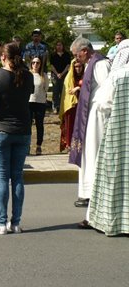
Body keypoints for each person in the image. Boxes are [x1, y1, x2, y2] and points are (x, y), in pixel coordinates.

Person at [0, 42, 34, 234]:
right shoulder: (28, 76)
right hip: (22, 130)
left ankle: (1, 222)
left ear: (3, 57)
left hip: (1, 130)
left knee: (3, 177)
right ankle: (16, 223)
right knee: (18, 176)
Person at [87, 52, 129, 235]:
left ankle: (116, 221)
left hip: (119, 133)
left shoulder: (118, 75)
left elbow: (104, 104)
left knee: (115, 178)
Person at [69, 37, 111, 210]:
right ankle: (86, 192)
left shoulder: (100, 64)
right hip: (89, 116)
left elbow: (108, 89)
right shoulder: (90, 64)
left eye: (77, 55)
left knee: (93, 154)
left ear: (84, 51)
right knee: (87, 154)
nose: (76, 59)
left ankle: (93, 193)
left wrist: (102, 110)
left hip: (97, 117)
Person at [59, 60, 84, 151]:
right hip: (71, 106)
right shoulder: (69, 78)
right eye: (76, 67)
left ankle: (80, 145)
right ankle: (69, 145)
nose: (78, 68)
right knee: (70, 126)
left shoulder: (85, 76)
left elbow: (88, 87)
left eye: (80, 66)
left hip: (83, 105)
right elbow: (68, 92)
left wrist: (78, 88)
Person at [28, 56, 49, 155]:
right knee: (27, 125)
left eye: (38, 63)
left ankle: (38, 146)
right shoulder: (27, 74)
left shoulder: (43, 75)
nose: (35, 64)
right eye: (33, 62)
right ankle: (26, 145)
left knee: (39, 124)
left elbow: (46, 89)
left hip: (40, 102)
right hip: (29, 102)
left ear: (41, 64)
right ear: (31, 64)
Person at [49, 41, 71, 113]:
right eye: (57, 45)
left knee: (63, 91)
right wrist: (57, 73)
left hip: (64, 74)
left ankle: (63, 106)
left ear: (63, 46)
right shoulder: (53, 55)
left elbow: (68, 65)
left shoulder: (67, 55)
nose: (59, 46)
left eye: (60, 45)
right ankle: (55, 107)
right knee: (55, 91)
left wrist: (62, 73)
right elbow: (51, 65)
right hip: (55, 75)